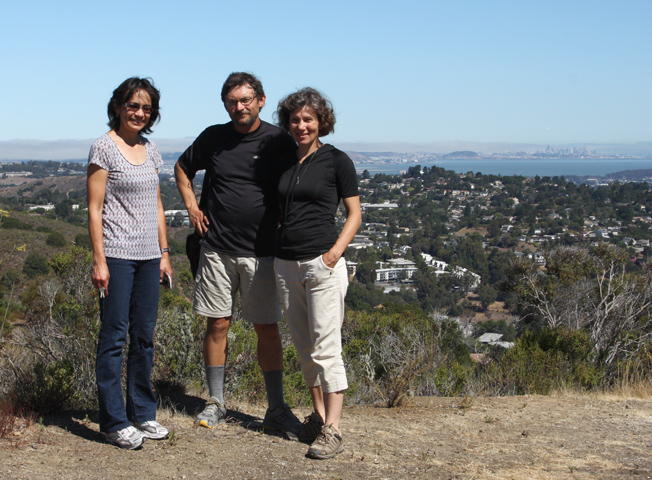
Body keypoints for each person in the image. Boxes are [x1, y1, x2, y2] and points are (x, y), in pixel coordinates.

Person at [174, 72, 301, 437]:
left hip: (262, 252)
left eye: (246, 100)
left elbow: (297, 183)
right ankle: (216, 402)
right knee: (217, 324)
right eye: (232, 101)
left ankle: (276, 408)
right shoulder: (214, 137)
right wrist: (192, 207)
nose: (239, 107)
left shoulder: (279, 140)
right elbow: (182, 168)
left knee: (267, 328)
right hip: (216, 248)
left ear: (261, 100)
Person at [273, 88, 361, 459]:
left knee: (327, 348)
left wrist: (334, 254)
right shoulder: (285, 162)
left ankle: (333, 429)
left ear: (321, 121)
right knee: (305, 349)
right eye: (295, 120)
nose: (301, 125)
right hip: (285, 264)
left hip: (321, 264)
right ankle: (319, 418)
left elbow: (354, 214)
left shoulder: (336, 160)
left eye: (308, 119)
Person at [87, 77, 172, 449]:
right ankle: (113, 421)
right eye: (133, 105)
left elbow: (157, 204)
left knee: (144, 337)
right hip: (117, 256)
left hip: (150, 256)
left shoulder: (151, 150)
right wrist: (99, 261)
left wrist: (164, 254)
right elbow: (94, 209)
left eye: (146, 108)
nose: (139, 113)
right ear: (119, 107)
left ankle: (142, 412)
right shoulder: (104, 147)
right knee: (114, 338)